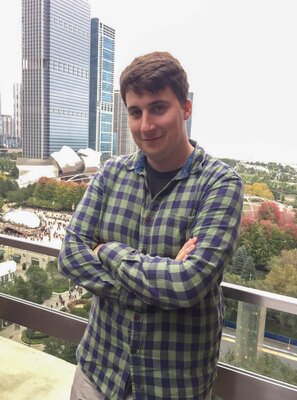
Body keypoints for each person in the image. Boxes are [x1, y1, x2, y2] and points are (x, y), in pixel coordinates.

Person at [58, 51, 244, 400]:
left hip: (171, 386)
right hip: (98, 372)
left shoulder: (220, 185)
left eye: (158, 108)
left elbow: (189, 284)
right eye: (135, 112)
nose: (145, 125)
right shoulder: (112, 173)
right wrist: (160, 284)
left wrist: (105, 250)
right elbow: (69, 255)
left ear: (186, 109)